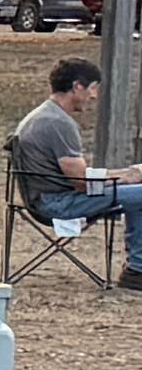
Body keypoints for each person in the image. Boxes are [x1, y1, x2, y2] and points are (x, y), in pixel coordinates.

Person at [13, 58, 142, 280]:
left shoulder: (42, 115)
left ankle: (137, 267)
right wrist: (125, 176)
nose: (93, 96)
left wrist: (126, 175)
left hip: (45, 197)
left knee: (137, 191)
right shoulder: (58, 122)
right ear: (77, 87)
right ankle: (137, 269)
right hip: (56, 203)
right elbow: (81, 182)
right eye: (92, 88)